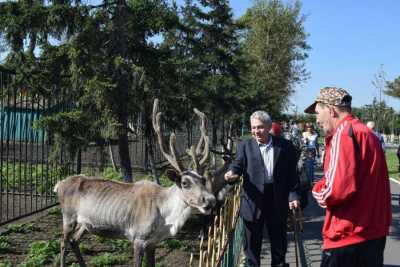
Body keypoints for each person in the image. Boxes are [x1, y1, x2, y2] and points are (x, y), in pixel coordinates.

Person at [304, 87, 392, 267]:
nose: (317, 120)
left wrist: (315, 189)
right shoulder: (367, 134)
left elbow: (334, 192)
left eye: (317, 112)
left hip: (347, 236)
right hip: (373, 233)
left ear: (331, 109)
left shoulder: (344, 133)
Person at [224, 111, 300, 267]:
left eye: (259, 127)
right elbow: (237, 164)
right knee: (252, 248)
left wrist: (293, 196)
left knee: (279, 244)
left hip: (277, 199)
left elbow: (291, 175)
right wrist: (232, 174)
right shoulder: (245, 145)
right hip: (253, 201)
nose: (255, 131)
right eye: (253, 128)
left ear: (268, 126)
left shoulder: (285, 146)